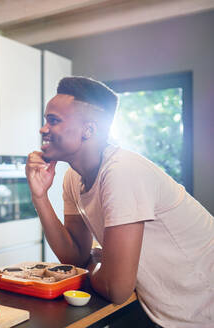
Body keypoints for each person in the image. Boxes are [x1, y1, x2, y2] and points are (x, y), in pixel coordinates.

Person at [26, 76, 214, 328]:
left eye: (54, 120)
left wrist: (94, 266)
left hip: (201, 305)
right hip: (162, 307)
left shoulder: (122, 171)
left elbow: (116, 288)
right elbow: (75, 256)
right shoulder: (73, 177)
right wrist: (40, 196)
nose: (43, 129)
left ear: (88, 130)